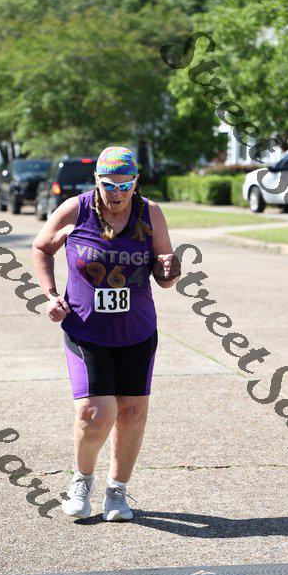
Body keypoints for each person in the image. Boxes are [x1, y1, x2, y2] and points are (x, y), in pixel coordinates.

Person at [32, 146, 181, 522]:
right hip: (86, 330)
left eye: (125, 185)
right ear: (96, 180)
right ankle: (81, 481)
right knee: (96, 411)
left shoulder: (150, 213)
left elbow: (164, 276)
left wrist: (170, 270)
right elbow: (42, 247)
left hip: (137, 331)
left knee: (131, 412)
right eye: (108, 184)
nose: (117, 193)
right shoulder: (75, 209)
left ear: (135, 182)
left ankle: (117, 491)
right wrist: (51, 295)